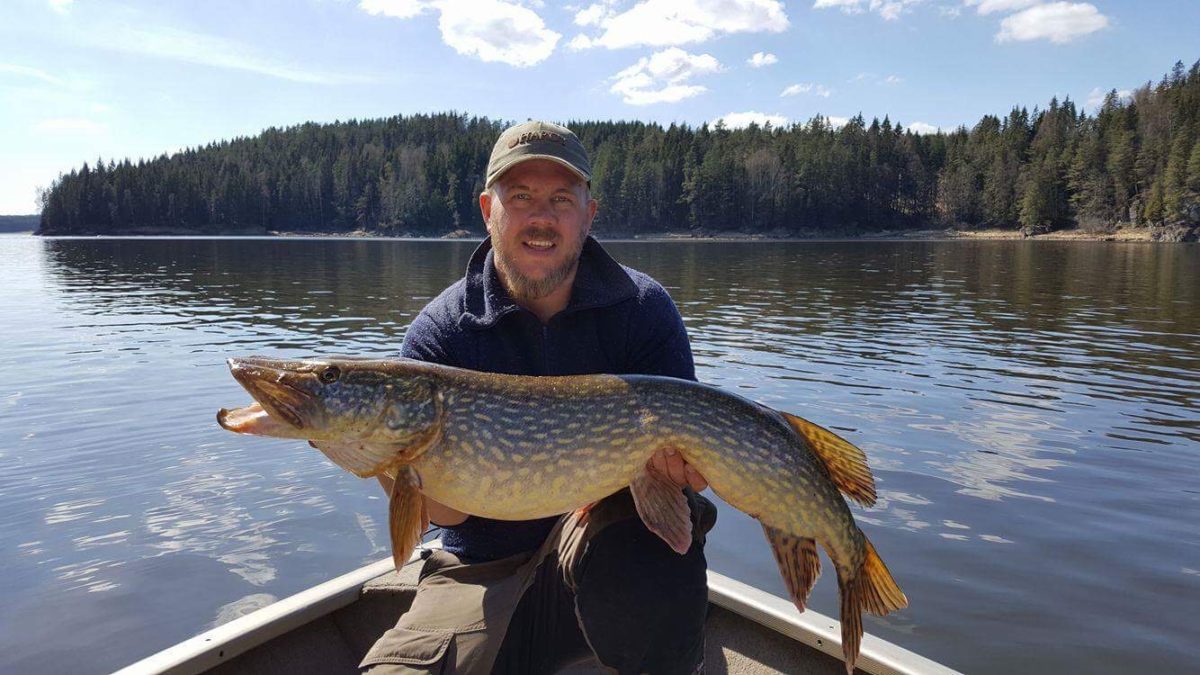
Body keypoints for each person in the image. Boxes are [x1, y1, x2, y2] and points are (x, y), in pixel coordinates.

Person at [360, 120, 716, 675]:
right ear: (488, 209)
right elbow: (447, 510)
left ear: (588, 214)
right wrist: (386, 457)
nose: (541, 217)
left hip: (603, 549)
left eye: (560, 199)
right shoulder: (440, 333)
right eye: (521, 196)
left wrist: (682, 472)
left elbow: (684, 478)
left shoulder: (644, 310)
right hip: (476, 568)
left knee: (647, 557)